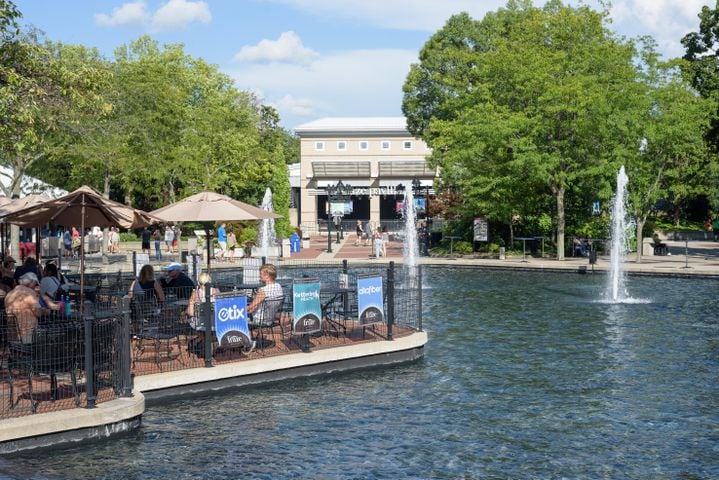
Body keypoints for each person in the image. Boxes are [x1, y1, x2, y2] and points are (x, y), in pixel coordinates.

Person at [5, 272, 55, 343]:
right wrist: (46, 311)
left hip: (12, 335)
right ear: (31, 282)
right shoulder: (30, 293)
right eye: (36, 284)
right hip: (28, 335)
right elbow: (38, 312)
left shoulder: (9, 294)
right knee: (54, 338)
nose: (35, 286)